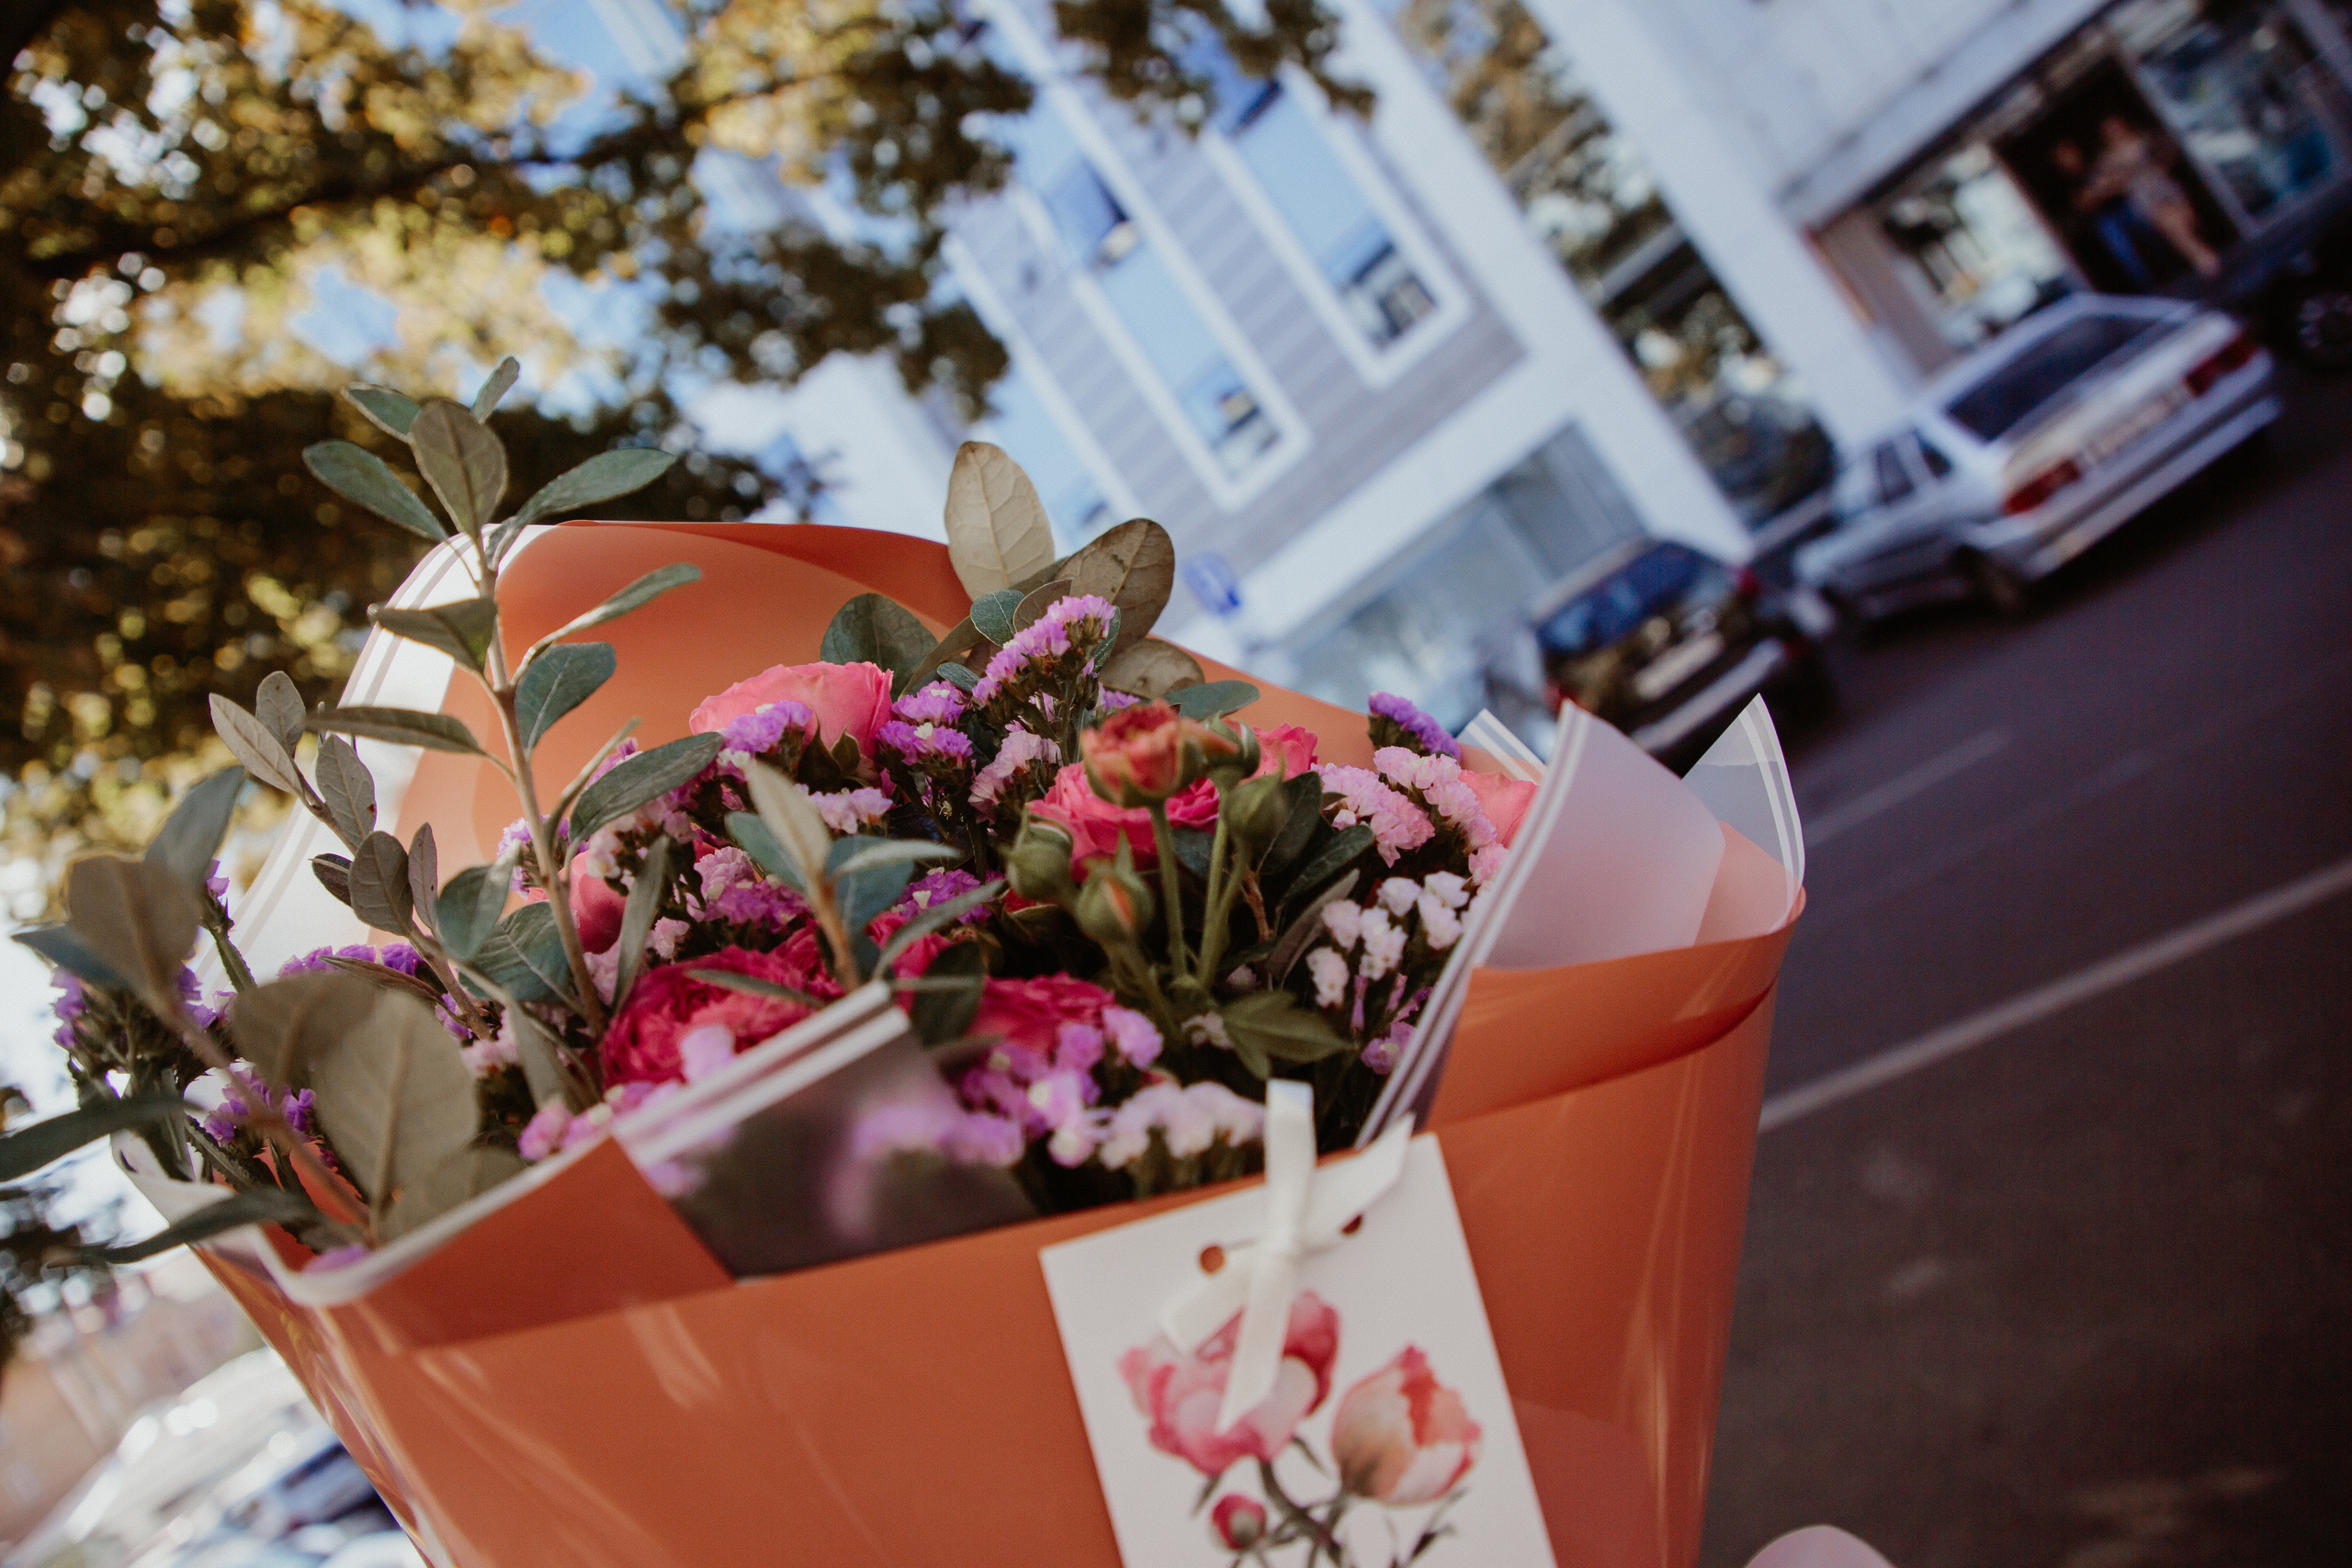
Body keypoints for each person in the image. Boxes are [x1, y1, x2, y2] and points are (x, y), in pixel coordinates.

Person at [2090, 113, 2222, 278]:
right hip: (2144, 196)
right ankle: (2200, 257)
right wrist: (2120, 182)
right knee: (2170, 222)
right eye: (2110, 130)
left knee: (2186, 218)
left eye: (2116, 126)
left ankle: (2203, 254)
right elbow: (2099, 186)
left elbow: (2170, 148)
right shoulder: (2108, 159)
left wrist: (2161, 166)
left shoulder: (2144, 138)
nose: (2115, 132)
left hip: (2164, 185)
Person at [2052, 138, 2158, 289]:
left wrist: (2102, 190)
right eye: (2063, 157)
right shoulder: (2068, 183)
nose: (2069, 158)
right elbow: (2083, 205)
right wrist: (2099, 192)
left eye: (2069, 152)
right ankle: (2150, 288)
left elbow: (2121, 182)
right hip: (2103, 219)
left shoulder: (2096, 163)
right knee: (2124, 250)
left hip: (2124, 205)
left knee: (2149, 229)